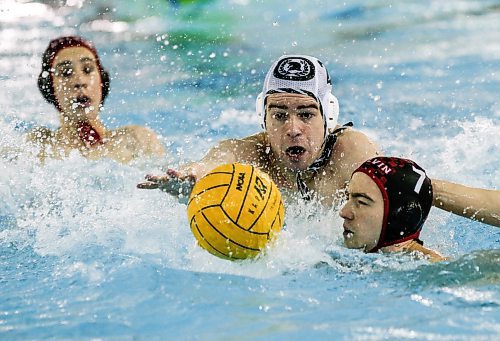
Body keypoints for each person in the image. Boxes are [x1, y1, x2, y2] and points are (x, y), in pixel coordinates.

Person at [138, 54, 500, 228]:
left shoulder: (351, 152)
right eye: (279, 115)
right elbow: (215, 160)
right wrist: (195, 177)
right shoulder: (250, 153)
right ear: (263, 118)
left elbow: (396, 210)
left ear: (328, 117)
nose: (293, 128)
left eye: (306, 114)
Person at [29, 35, 166, 164]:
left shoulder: (137, 140)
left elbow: (175, 174)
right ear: (50, 87)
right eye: (66, 73)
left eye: (88, 70)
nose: (80, 81)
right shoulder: (40, 145)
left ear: (102, 81)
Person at [340, 156, 446, 262]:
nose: (343, 212)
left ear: (399, 215)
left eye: (361, 202)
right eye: (348, 197)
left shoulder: (435, 269)